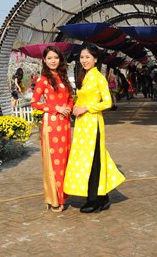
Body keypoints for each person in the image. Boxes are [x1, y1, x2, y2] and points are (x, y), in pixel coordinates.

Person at [64, 44, 126, 213]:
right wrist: (76, 107)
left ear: (95, 59)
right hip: (82, 124)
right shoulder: (84, 76)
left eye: (88, 57)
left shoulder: (99, 77)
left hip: (93, 124)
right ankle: (102, 197)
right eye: (82, 57)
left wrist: (86, 108)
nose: (84, 60)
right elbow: (82, 99)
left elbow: (107, 102)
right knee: (87, 160)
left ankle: (95, 200)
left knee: (93, 161)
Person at [30, 46, 74, 212]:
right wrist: (56, 109)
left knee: (64, 161)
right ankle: (55, 199)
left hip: (64, 124)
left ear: (60, 59)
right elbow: (34, 103)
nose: (53, 61)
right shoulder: (42, 80)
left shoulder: (64, 78)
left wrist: (68, 108)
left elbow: (70, 98)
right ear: (44, 60)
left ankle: (63, 196)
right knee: (54, 161)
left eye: (55, 57)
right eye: (49, 58)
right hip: (51, 125)